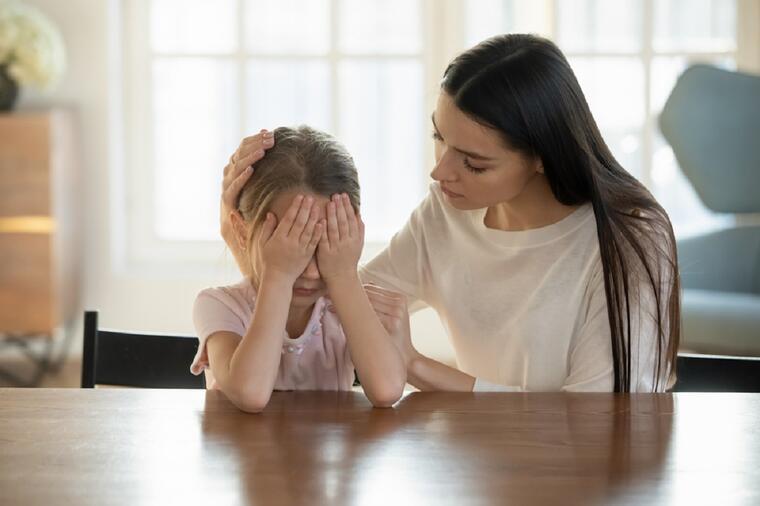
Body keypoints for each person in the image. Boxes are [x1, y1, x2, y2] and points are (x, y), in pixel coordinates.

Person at [220, 34, 680, 393]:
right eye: (438, 137)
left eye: (473, 162)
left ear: (543, 156)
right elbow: (324, 296)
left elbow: (598, 419)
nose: (440, 172)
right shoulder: (449, 212)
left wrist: (418, 366)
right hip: (478, 465)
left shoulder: (631, 239)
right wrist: (239, 229)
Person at [192, 126, 406, 413]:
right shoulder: (220, 305)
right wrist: (278, 275)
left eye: (325, 247)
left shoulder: (342, 304)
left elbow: (387, 389)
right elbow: (251, 393)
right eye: (293, 248)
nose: (312, 273)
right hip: (245, 457)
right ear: (241, 232)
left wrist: (343, 275)